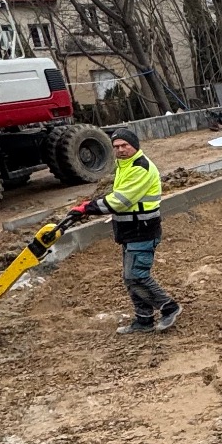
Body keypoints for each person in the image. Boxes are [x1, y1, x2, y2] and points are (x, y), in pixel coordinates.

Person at [73, 128, 181, 335]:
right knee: (130, 278)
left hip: (143, 231)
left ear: (135, 145)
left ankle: (169, 307)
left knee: (136, 275)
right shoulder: (125, 165)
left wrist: (89, 207)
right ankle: (144, 320)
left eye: (125, 145)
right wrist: (88, 208)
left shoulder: (140, 168)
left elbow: (121, 201)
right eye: (116, 147)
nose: (121, 150)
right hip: (130, 231)